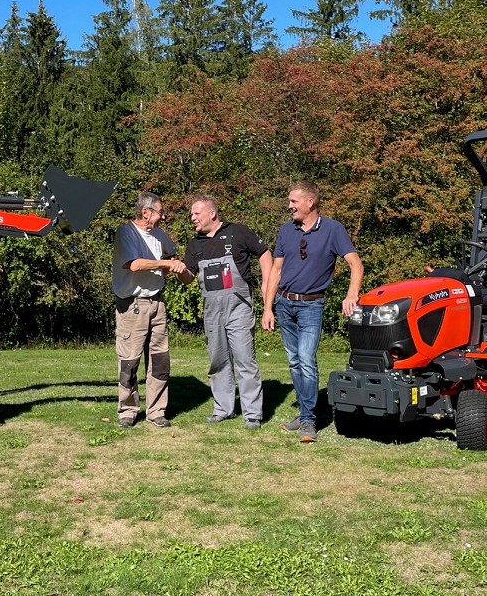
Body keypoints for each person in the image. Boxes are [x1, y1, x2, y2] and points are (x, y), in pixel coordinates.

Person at [262, 181, 363, 442]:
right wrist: (267, 307)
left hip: (311, 305)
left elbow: (355, 264)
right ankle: (306, 411)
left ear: (310, 202)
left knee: (306, 360)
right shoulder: (286, 231)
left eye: (294, 201)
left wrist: (351, 294)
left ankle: (308, 420)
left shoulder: (333, 230)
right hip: (284, 305)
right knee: (294, 362)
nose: (290, 206)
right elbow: (276, 270)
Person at [180, 196, 271, 429]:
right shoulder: (194, 245)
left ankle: (252, 414)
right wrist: (180, 270)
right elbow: (189, 279)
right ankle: (223, 409)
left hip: (238, 307)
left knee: (244, 359)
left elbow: (264, 253)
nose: (192, 218)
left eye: (196, 214)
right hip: (212, 309)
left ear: (212, 213)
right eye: (192, 214)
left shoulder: (238, 232)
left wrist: (267, 284)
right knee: (217, 361)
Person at [112, 191, 188, 428]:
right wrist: (166, 264)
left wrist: (171, 264)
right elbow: (133, 264)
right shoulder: (126, 233)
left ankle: (157, 411)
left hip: (157, 303)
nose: (163, 217)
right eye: (160, 212)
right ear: (146, 212)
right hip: (132, 306)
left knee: (159, 360)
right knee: (130, 361)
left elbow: (171, 253)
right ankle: (128, 410)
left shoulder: (159, 234)